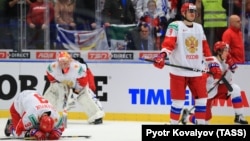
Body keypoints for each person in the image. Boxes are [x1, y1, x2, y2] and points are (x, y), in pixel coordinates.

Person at [153, 2, 212, 125]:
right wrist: (162, 56)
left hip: (197, 71)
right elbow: (169, 43)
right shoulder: (175, 26)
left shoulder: (199, 27)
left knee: (202, 100)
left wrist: (212, 63)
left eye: (194, 11)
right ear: (183, 12)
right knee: (178, 102)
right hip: (179, 72)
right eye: (190, 11)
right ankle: (173, 125)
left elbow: (205, 47)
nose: (192, 14)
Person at [181, 41, 248, 125]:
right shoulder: (211, 60)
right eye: (225, 50)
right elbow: (209, 67)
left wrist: (230, 69)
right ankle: (187, 117)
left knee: (235, 89)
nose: (227, 52)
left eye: (228, 50)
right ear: (219, 51)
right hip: (204, 94)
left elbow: (227, 82)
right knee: (205, 121)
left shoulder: (224, 63)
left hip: (215, 89)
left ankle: (239, 116)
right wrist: (213, 70)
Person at [43, 51, 105, 125]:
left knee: (83, 96)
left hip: (77, 85)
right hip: (61, 84)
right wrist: (60, 86)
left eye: (65, 61)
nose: (63, 63)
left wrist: (75, 93)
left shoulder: (77, 67)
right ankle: (45, 114)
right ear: (58, 61)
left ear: (70, 60)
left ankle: (96, 115)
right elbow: (50, 77)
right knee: (52, 93)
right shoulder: (52, 67)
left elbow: (83, 82)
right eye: (61, 61)